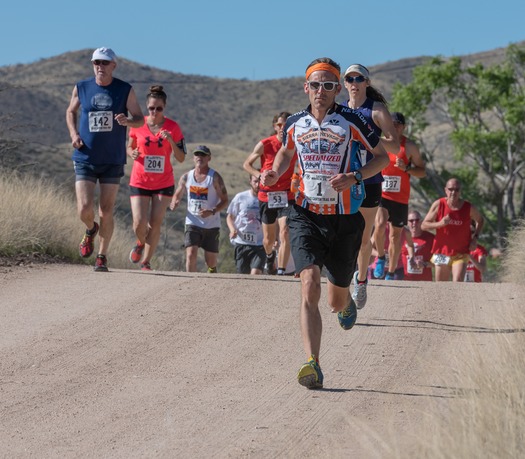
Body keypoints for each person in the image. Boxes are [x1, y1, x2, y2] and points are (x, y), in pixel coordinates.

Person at [261, 57, 389, 390]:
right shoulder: (294, 122)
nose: (321, 91)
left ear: (336, 90)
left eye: (329, 85)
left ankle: (346, 303)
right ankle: (312, 363)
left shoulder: (352, 121)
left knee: (335, 300)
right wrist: (275, 170)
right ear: (306, 88)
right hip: (304, 212)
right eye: (315, 85)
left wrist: (355, 175)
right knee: (309, 283)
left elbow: (382, 157)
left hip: (345, 219)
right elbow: (286, 152)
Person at [66, 47, 144, 272]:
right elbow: (70, 111)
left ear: (113, 66)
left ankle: (102, 255)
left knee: (106, 210)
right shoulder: (82, 87)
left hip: (112, 159)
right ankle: (90, 229)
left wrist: (128, 121)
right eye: (96, 63)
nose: (100, 66)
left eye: (104, 63)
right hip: (85, 155)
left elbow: (139, 119)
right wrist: (73, 134)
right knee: (84, 208)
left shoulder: (124, 89)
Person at [342, 64, 400, 309]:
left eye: (359, 78)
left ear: (366, 82)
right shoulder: (339, 111)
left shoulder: (376, 111)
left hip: (371, 181)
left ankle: (362, 280)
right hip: (343, 181)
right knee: (343, 237)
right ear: (344, 84)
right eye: (349, 78)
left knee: (364, 240)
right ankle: (342, 282)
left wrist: (369, 138)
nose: (354, 82)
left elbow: (395, 147)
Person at [127, 85, 186, 271]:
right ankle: (140, 241)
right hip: (140, 180)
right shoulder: (138, 124)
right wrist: (132, 153)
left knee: (155, 223)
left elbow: (181, 157)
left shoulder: (173, 127)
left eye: (159, 108)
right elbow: (130, 146)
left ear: (164, 108)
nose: (155, 112)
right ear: (147, 107)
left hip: (163, 182)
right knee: (138, 223)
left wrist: (170, 140)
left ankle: (146, 262)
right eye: (151, 108)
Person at [373, 112, 427, 280]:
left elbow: (422, 171)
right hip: (382, 193)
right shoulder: (380, 142)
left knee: (396, 236)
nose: (395, 126)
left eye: (398, 124)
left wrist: (407, 168)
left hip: (401, 197)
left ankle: (391, 271)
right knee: (380, 224)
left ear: (404, 127)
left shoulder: (409, 146)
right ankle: (381, 257)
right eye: (392, 123)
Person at [243, 112, 295, 275]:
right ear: (275, 127)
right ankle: (269, 255)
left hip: (287, 194)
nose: (282, 128)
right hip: (267, 195)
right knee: (268, 240)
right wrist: (259, 175)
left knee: (285, 232)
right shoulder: (265, 144)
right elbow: (247, 164)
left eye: (286, 124)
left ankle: (281, 269)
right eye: (279, 125)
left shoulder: (295, 144)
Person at [171, 145, 228, 273]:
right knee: (191, 254)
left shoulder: (215, 177)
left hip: (211, 224)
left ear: (209, 158)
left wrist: (212, 211)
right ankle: (190, 283)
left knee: (211, 262)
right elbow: (178, 193)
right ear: (193, 158)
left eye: (203, 155)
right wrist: (175, 201)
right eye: (197, 155)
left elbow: (225, 201)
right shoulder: (186, 177)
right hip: (192, 222)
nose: (199, 158)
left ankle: (211, 273)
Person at [421, 178, 484, 282]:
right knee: (441, 286)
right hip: (441, 252)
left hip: (461, 252)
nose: (453, 192)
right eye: (450, 189)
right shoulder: (439, 204)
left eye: (457, 190)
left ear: (460, 191)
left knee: (457, 284)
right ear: (445, 190)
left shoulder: (468, 207)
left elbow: (480, 220)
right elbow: (423, 225)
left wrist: (475, 238)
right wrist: (440, 224)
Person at [226, 175, 265, 275]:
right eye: (255, 181)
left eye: (260, 182)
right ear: (250, 182)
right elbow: (230, 216)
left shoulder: (267, 199)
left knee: (255, 273)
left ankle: (255, 291)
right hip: (241, 242)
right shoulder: (241, 197)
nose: (258, 185)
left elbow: (274, 221)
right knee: (243, 276)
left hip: (260, 244)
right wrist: (232, 229)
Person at [401, 210, 435, 281]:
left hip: (424, 282)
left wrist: (424, 264)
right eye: (411, 221)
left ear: (421, 221)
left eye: (417, 220)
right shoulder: (401, 237)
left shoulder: (431, 238)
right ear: (407, 222)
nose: (414, 223)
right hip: (404, 281)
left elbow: (438, 263)